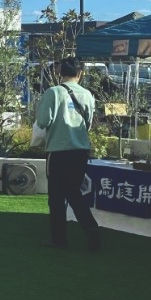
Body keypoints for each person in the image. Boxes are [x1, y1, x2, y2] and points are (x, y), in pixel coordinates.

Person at [35, 57, 101, 252]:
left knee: (56, 197)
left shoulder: (53, 92)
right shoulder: (87, 94)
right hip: (80, 151)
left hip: (58, 151)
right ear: (80, 73)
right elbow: (88, 123)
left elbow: (43, 120)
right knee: (73, 192)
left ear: (60, 72)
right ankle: (91, 227)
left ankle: (59, 239)